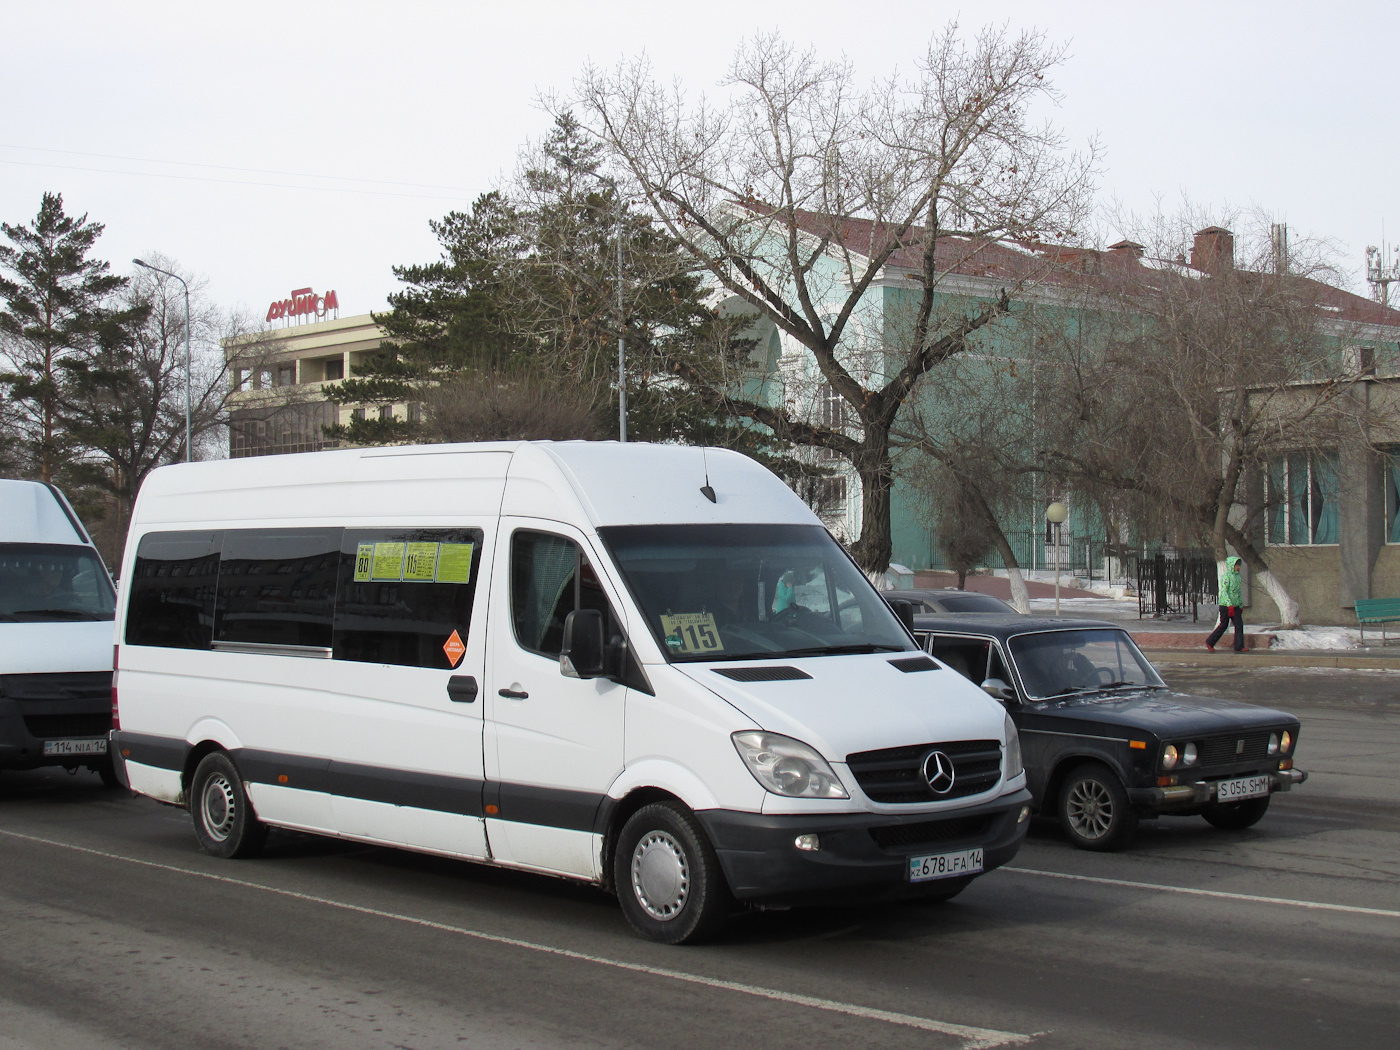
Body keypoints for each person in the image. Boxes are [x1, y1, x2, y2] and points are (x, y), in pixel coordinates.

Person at [1206, 556, 1245, 652]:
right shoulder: (1226, 576)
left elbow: (1238, 592)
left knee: (1239, 625)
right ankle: (1210, 641)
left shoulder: (1238, 576)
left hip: (1235, 605)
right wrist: (1229, 604)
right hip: (1226, 605)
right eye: (1236, 565)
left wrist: (1240, 604)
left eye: (1239, 565)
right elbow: (1224, 591)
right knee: (1224, 625)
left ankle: (1239, 646)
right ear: (1232, 565)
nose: (1238, 567)